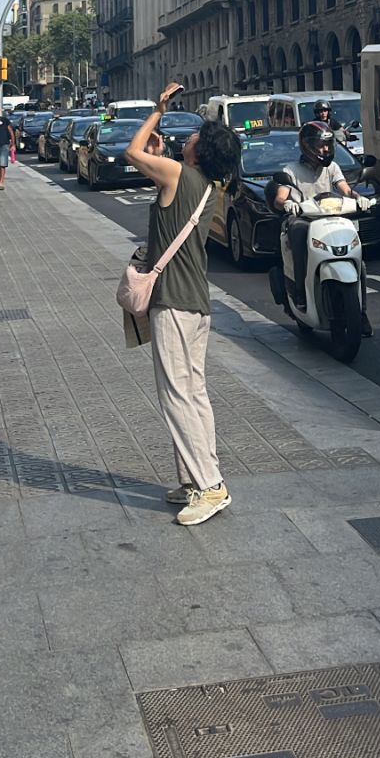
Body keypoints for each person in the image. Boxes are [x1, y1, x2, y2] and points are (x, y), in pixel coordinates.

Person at [125, 87, 241, 526]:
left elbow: (132, 152)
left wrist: (157, 111)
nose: (188, 136)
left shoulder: (180, 175)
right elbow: (162, 186)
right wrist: (160, 157)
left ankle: (211, 487)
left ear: (199, 150)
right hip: (196, 303)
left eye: (195, 135)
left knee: (176, 396)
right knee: (193, 393)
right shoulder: (203, 185)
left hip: (173, 302)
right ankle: (195, 479)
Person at [272, 122, 373, 336]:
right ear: (308, 145)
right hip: (304, 219)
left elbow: (345, 189)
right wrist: (287, 204)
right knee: (297, 231)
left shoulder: (332, 168)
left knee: (360, 263)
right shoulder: (291, 170)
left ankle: (361, 313)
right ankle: (300, 292)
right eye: (321, 145)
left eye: (328, 145)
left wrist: (359, 198)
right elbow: (280, 196)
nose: (326, 149)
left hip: (331, 219)